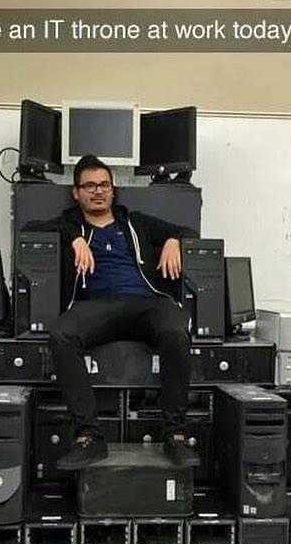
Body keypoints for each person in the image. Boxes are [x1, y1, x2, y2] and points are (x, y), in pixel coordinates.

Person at [46, 154, 199, 470]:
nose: (98, 191)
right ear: (76, 192)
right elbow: (31, 227)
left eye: (104, 185)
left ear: (113, 190)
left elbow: (188, 230)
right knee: (61, 333)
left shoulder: (135, 222)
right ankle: (89, 436)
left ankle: (176, 434)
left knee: (176, 330)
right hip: (95, 307)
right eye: (89, 185)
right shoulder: (69, 223)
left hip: (145, 303)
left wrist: (174, 241)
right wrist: (74, 238)